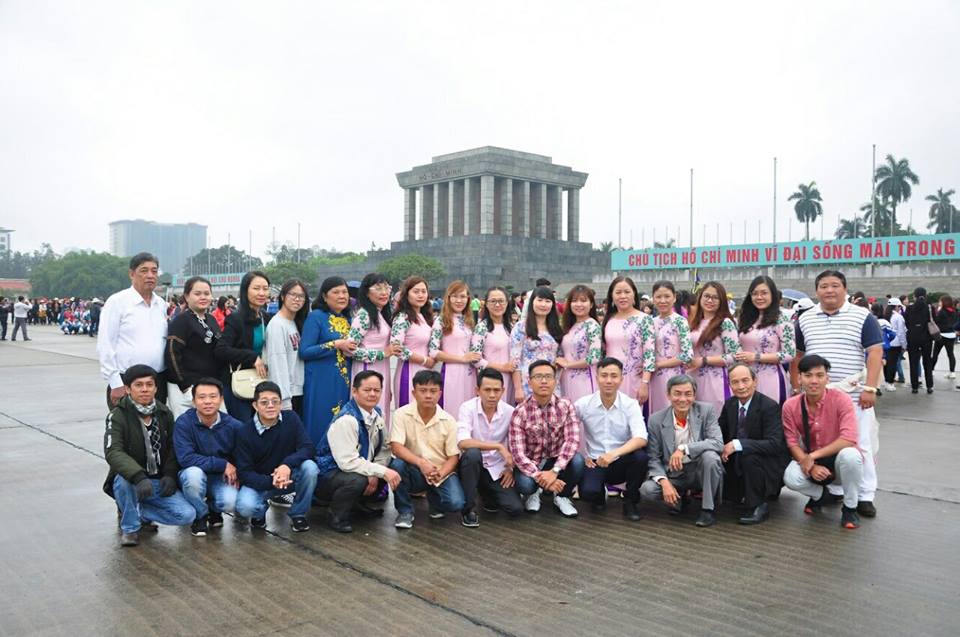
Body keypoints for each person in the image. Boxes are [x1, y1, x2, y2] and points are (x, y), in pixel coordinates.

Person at [790, 270, 882, 518]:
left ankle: (865, 495)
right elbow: (798, 356)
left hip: (853, 394)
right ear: (816, 291)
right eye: (823, 286)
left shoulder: (862, 316)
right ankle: (834, 489)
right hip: (816, 395)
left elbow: (875, 352)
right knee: (824, 441)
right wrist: (796, 387)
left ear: (845, 288)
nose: (829, 290)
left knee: (861, 444)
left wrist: (870, 388)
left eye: (834, 285)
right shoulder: (805, 319)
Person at [103, 364, 195, 547]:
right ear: (128, 389)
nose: (144, 389)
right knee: (123, 481)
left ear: (155, 388)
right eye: (138, 385)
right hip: (131, 480)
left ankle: (138, 511)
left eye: (149, 384)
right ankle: (130, 528)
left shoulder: (164, 413)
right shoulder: (118, 416)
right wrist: (138, 476)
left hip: (156, 480)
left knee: (187, 515)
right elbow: (114, 451)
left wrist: (170, 475)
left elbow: (173, 448)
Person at [782, 355, 863, 530]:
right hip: (814, 462)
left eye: (819, 375)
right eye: (808, 375)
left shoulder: (842, 400)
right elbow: (791, 442)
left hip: (839, 461)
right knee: (790, 477)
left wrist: (811, 457)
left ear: (828, 378)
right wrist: (811, 466)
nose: (814, 381)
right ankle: (821, 496)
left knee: (851, 456)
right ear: (799, 378)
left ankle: (850, 507)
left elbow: (848, 438)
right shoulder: (790, 405)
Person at [315, 370, 401, 533]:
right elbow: (347, 462)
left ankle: (356, 505)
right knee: (357, 479)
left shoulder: (377, 413)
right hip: (329, 475)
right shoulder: (347, 419)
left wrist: (376, 472)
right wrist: (379, 471)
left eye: (377, 390)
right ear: (354, 391)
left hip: (357, 468)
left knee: (394, 465)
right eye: (367, 390)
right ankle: (336, 515)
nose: (372, 394)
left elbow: (384, 449)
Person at [234, 382, 319, 532]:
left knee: (310, 468)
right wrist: (272, 482)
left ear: (281, 404)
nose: (270, 406)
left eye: (275, 401)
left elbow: (308, 448)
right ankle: (259, 512)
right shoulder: (244, 431)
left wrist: (286, 465)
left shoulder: (291, 418)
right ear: (255, 405)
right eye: (264, 402)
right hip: (261, 481)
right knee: (245, 506)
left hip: (288, 476)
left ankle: (298, 513)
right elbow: (244, 472)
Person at [639, 374, 723, 527]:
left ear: (694, 395)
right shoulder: (655, 419)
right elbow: (653, 457)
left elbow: (717, 443)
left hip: (699, 471)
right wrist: (664, 482)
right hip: (674, 473)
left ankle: (708, 509)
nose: (683, 399)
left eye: (688, 394)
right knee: (648, 490)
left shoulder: (706, 411)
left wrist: (684, 448)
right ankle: (680, 497)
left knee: (711, 457)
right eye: (677, 394)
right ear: (668, 395)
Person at [388, 370, 466, 529]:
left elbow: (453, 456)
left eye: (433, 391)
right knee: (397, 465)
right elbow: (396, 447)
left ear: (440, 394)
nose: (428, 395)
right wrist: (421, 463)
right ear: (414, 393)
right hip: (414, 470)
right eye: (423, 390)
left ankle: (434, 499)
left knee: (456, 503)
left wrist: (441, 473)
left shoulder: (448, 420)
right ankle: (405, 511)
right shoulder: (401, 414)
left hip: (440, 472)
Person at [574, 357, 649, 521]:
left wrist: (613, 454)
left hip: (621, 460)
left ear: (621, 379)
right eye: (604, 375)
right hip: (595, 461)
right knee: (588, 493)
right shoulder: (583, 404)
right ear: (597, 378)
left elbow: (641, 438)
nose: (609, 380)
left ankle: (630, 501)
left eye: (614, 376)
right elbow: (568, 431)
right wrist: (583, 455)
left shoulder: (630, 404)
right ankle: (599, 495)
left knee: (641, 457)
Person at [508, 360, 585, 518]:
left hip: (555, 460)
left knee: (577, 461)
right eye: (538, 377)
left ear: (555, 381)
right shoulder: (520, 411)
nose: (543, 381)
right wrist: (541, 477)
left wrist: (555, 471)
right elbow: (518, 454)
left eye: (548, 377)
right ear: (529, 381)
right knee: (525, 485)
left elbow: (572, 440)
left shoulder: (565, 406)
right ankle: (534, 493)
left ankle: (562, 496)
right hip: (532, 462)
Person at [457, 368, 529, 527]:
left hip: (496, 468)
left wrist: (510, 468)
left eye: (496, 390)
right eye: (487, 390)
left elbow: (517, 444)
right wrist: (498, 446)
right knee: (473, 453)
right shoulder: (467, 408)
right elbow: (462, 442)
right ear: (477, 390)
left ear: (503, 391)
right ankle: (468, 510)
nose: (492, 395)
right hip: (471, 465)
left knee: (515, 509)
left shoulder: (510, 411)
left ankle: (486, 494)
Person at [718, 364, 789, 525]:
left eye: (745, 380)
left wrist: (737, 444)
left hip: (766, 461)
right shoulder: (730, 404)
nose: (741, 386)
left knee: (749, 456)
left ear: (755, 381)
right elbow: (720, 432)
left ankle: (758, 505)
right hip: (738, 460)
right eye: (735, 382)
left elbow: (774, 444)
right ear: (730, 385)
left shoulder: (769, 406)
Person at [173, 378, 243, 536]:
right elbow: (186, 458)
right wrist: (223, 464)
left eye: (213, 396)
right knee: (193, 475)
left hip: (220, 477)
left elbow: (242, 457)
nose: (208, 401)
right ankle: (200, 515)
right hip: (193, 474)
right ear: (193, 401)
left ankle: (214, 510)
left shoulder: (234, 425)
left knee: (230, 501)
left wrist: (237, 472)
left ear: (221, 399)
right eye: (202, 397)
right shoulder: (184, 423)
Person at [97, 253, 168, 406]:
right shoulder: (117, 302)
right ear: (131, 274)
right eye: (144, 270)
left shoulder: (161, 304)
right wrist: (115, 382)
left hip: (157, 381)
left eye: (154, 271)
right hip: (126, 381)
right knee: (128, 422)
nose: (150, 275)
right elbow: (105, 344)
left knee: (157, 421)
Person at [300, 276, 354, 446]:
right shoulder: (316, 317)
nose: (342, 296)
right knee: (321, 420)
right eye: (336, 292)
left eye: (344, 292)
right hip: (321, 381)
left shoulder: (348, 318)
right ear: (324, 296)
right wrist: (335, 344)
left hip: (343, 381)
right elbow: (305, 351)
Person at [215, 271, 272, 422]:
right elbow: (221, 350)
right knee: (243, 427)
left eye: (265, 288)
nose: (261, 293)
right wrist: (252, 357)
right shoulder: (235, 318)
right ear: (245, 291)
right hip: (241, 383)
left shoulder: (266, 317)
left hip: (262, 381)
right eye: (256, 288)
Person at [165, 276, 222, 419]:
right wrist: (184, 386)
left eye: (207, 293)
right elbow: (172, 353)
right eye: (197, 294)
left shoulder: (211, 319)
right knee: (187, 426)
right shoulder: (181, 321)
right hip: (185, 388)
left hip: (209, 385)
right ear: (186, 296)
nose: (203, 297)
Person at [348, 273, 400, 428]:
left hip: (382, 369)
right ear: (366, 292)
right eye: (378, 288)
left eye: (387, 288)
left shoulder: (380, 314)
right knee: (367, 414)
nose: (384, 292)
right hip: (367, 370)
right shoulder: (364, 316)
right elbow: (349, 349)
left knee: (380, 411)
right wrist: (381, 353)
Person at [736, 275, 796, 404]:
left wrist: (756, 357)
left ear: (772, 295)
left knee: (769, 412)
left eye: (764, 293)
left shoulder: (782, 320)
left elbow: (790, 354)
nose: (759, 297)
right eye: (755, 294)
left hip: (770, 378)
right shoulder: (745, 318)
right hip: (745, 377)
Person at [601, 276, 655, 411]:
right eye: (618, 292)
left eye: (627, 292)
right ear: (612, 296)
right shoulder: (608, 319)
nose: (623, 296)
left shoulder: (644, 319)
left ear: (634, 294)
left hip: (634, 379)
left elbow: (649, 354)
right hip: (609, 379)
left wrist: (645, 382)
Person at [687, 281, 741, 414]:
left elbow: (734, 355)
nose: (710, 300)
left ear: (721, 301)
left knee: (713, 417)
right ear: (700, 298)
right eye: (706, 296)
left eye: (715, 297)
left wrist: (704, 360)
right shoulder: (694, 323)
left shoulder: (725, 323)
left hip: (715, 380)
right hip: (692, 378)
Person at [429, 280, 479, 418]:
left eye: (462, 296)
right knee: (452, 412)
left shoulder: (469, 321)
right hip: (451, 373)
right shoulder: (441, 321)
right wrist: (462, 359)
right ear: (448, 298)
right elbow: (433, 351)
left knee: (469, 412)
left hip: (470, 374)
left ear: (468, 299)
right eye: (455, 296)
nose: (459, 300)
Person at [390, 277, 437, 409]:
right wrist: (424, 360)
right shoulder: (402, 317)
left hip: (427, 371)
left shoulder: (425, 317)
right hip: (409, 371)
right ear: (407, 294)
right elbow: (396, 347)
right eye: (416, 291)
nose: (420, 295)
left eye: (423, 291)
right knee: (409, 412)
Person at [649, 281, 694, 415]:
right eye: (658, 297)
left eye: (667, 296)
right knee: (655, 412)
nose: (663, 301)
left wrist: (659, 364)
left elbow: (687, 355)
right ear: (653, 299)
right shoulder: (650, 322)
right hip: (653, 376)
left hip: (674, 375)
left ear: (674, 298)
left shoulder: (680, 321)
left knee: (671, 410)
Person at [509, 286, 563, 399]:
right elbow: (515, 360)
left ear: (552, 304)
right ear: (532, 302)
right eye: (539, 300)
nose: (543, 304)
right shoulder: (521, 327)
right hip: (527, 384)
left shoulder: (556, 329)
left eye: (547, 301)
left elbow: (560, 357)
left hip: (550, 384)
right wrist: (518, 389)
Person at [265, 279, 309, 415]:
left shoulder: (295, 322)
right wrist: (284, 400)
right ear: (283, 296)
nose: (297, 299)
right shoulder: (277, 325)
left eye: (301, 296)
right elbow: (277, 364)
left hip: (298, 390)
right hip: (287, 395)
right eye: (293, 294)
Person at [470, 286, 517, 404]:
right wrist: (502, 367)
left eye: (501, 301)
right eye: (493, 301)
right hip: (491, 380)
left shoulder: (511, 327)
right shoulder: (482, 328)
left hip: (511, 379)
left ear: (507, 303)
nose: (497, 305)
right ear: (486, 304)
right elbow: (475, 359)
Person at [557, 285, 602, 403]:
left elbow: (594, 357)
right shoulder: (569, 326)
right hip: (565, 377)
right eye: (574, 301)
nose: (579, 304)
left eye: (583, 300)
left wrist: (568, 365)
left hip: (584, 380)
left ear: (591, 304)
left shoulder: (592, 326)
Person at [882, 298, 907, 392]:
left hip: (886, 343)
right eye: (899, 306)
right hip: (895, 343)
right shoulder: (898, 317)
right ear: (896, 306)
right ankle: (890, 382)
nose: (900, 308)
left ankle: (887, 382)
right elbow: (901, 332)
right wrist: (904, 345)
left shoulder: (885, 315)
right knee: (893, 364)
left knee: (886, 364)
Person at [932, 294, 957, 381]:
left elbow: (936, 321)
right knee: (950, 354)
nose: (939, 302)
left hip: (942, 335)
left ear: (944, 302)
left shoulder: (941, 311)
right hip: (951, 335)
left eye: (940, 301)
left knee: (935, 353)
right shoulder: (954, 311)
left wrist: (937, 311)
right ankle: (952, 372)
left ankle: (931, 370)